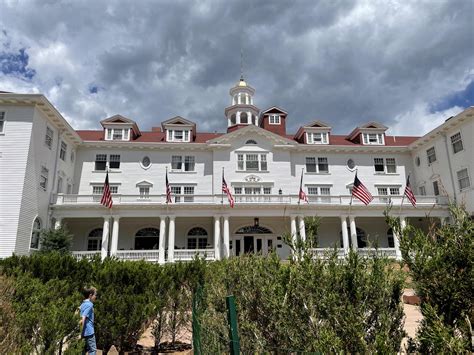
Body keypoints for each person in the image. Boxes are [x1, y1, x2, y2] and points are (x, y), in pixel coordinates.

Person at [80, 286, 97, 355]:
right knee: (92, 350)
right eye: (95, 295)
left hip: (84, 332)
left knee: (82, 351)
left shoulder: (82, 304)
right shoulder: (90, 305)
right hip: (89, 332)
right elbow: (83, 318)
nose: (96, 297)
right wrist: (80, 333)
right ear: (90, 295)